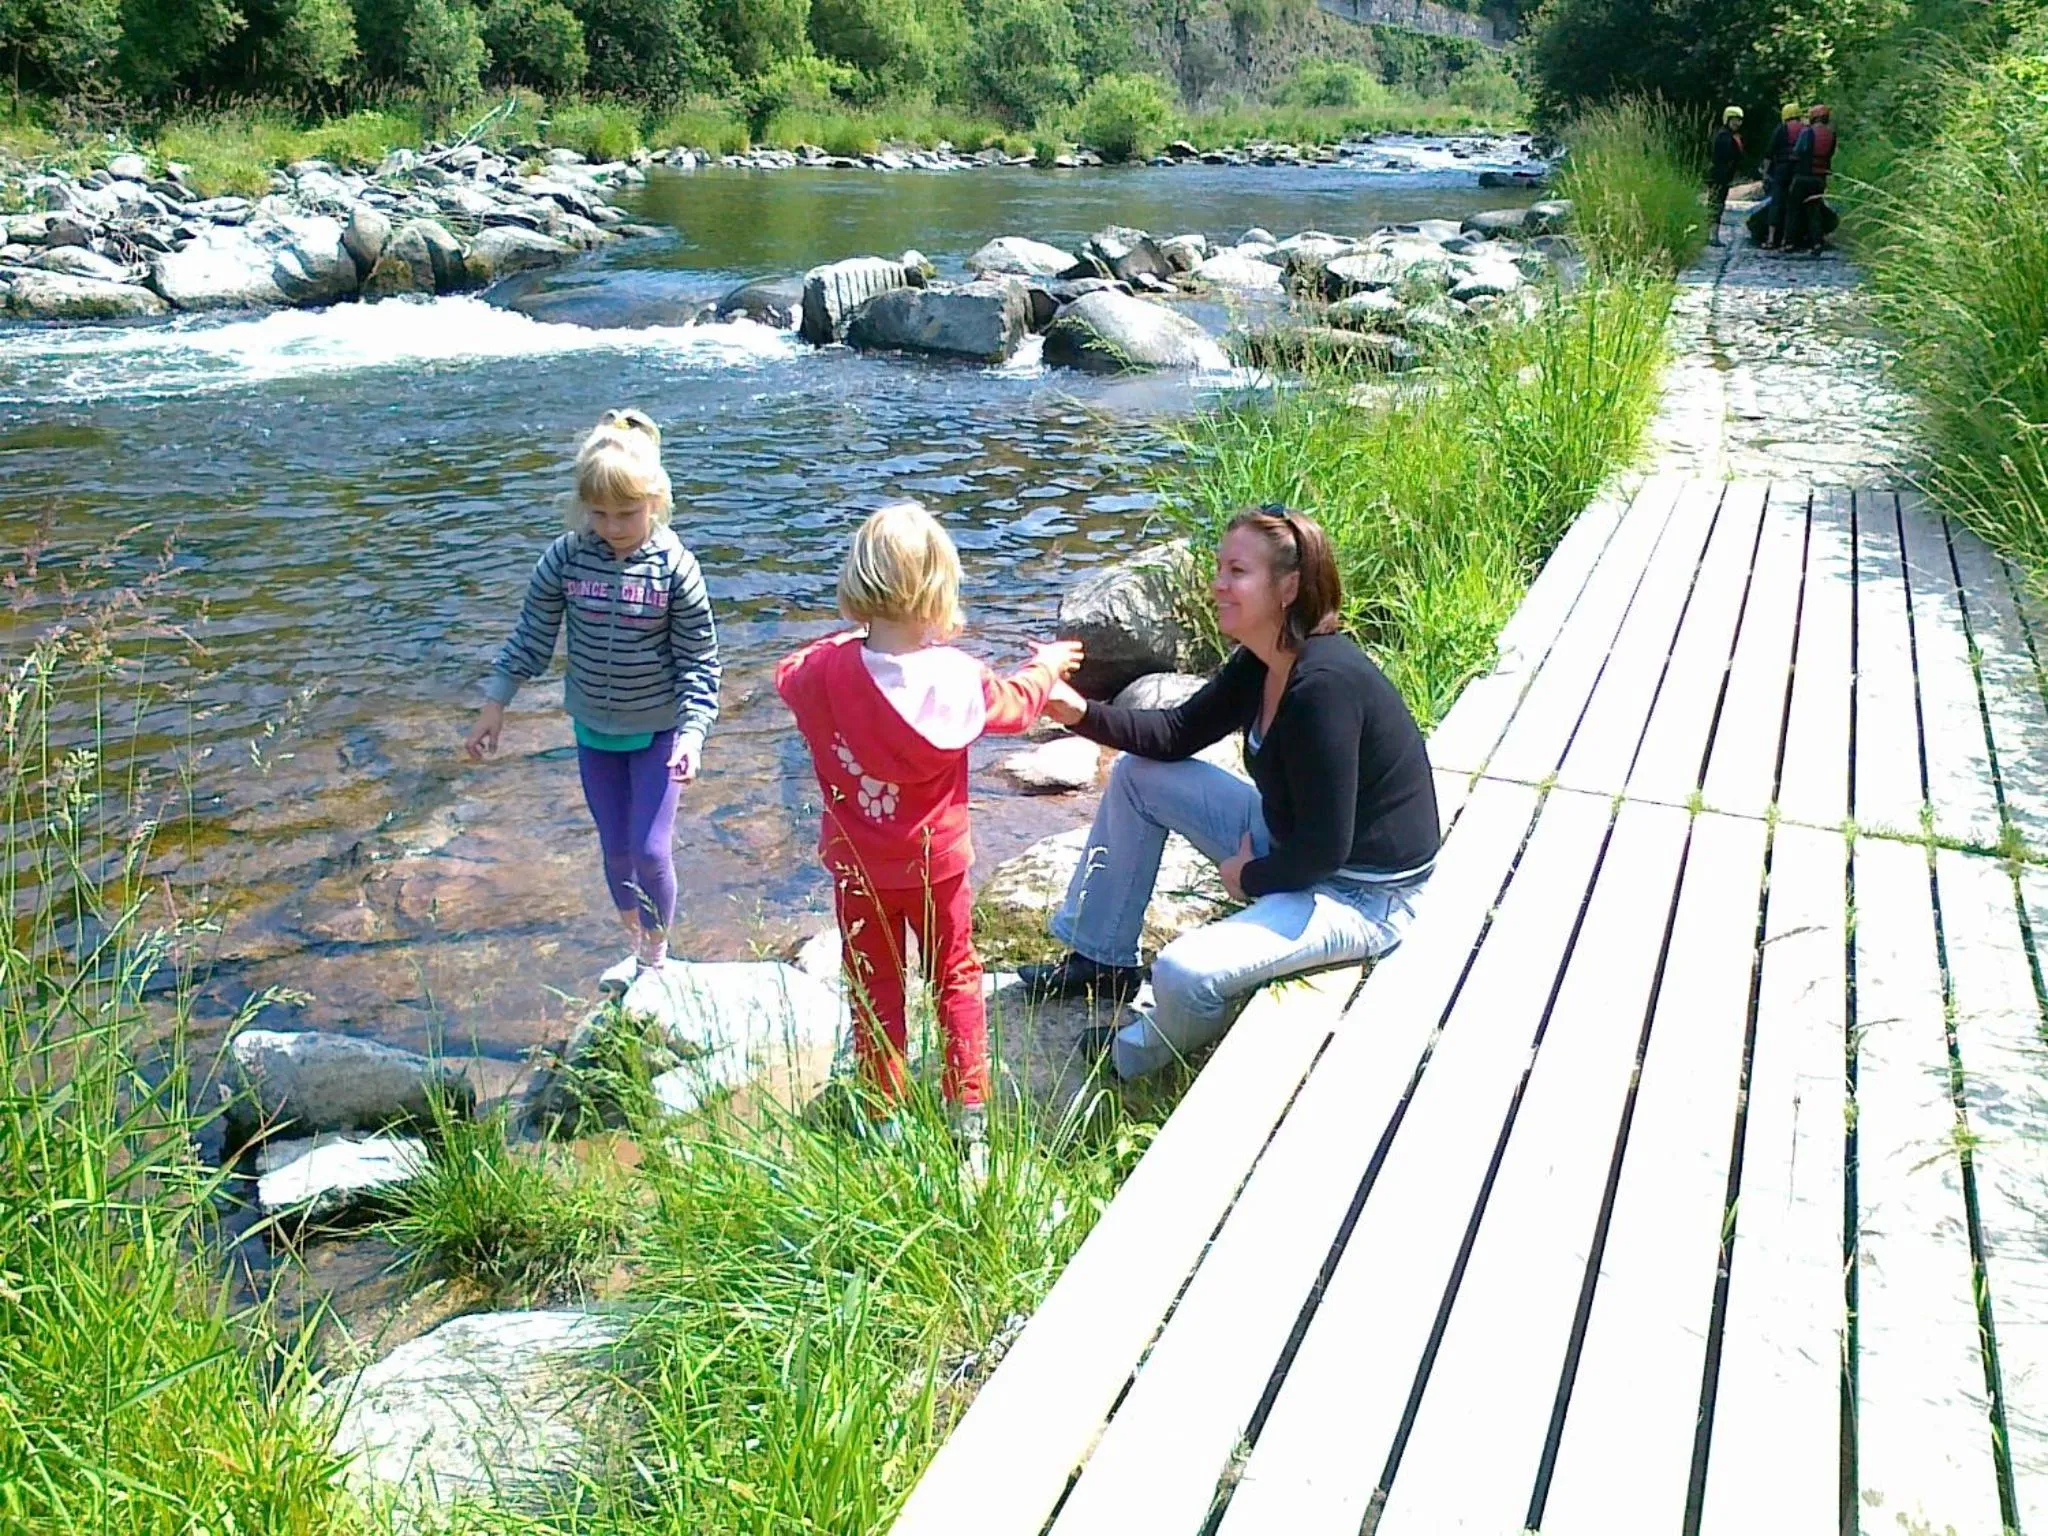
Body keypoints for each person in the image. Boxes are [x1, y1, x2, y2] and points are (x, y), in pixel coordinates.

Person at [1019, 507, 1440, 1081]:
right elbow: (1173, 735)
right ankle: (1101, 959)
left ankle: (1132, 1058)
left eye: (1236, 571)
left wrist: (1251, 878)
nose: (1218, 584)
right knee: (1138, 776)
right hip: (1294, 842)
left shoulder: (1324, 688)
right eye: (1219, 566)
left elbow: (1326, 850)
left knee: (1183, 972)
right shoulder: (1262, 661)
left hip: (1363, 896)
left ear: (1288, 587)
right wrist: (1078, 712)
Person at [775, 501, 1082, 1150]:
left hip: (858, 865)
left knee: (873, 989)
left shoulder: (823, 671)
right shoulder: (958, 677)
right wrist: (1048, 665)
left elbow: (785, 676)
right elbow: (1021, 703)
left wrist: (848, 639)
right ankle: (966, 1116)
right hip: (935, 867)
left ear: (858, 583)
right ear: (939, 589)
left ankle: (883, 1120)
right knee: (956, 980)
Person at [466, 408, 721, 990]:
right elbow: (530, 637)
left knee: (650, 850)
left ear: (655, 502)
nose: (612, 526)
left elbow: (700, 662)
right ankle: (636, 944)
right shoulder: (564, 558)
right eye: (599, 514)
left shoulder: (676, 570)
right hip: (593, 731)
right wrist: (495, 704)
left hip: (658, 732)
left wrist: (692, 732)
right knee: (615, 854)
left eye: (627, 514)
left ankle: (657, 961)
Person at [1787, 103, 1837, 253]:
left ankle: (1790, 242)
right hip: (1820, 178)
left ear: (1813, 117)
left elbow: (1797, 152)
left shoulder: (1807, 132)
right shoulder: (1831, 135)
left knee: (1793, 208)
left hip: (1803, 176)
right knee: (1814, 210)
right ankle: (1816, 243)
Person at [1761, 101, 1804, 249]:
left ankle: (1772, 238)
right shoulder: (1805, 130)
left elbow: (1769, 153)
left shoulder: (1781, 129)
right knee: (1794, 205)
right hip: (1799, 171)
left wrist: (1766, 174)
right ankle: (1788, 240)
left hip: (1781, 170)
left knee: (1776, 202)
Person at [1708, 105, 1745, 246]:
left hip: (1723, 176)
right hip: (1719, 175)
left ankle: (1712, 235)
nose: (1738, 123)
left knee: (1717, 204)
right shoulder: (1724, 136)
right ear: (1727, 120)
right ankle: (1713, 236)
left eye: (1739, 120)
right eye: (1735, 120)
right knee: (1716, 204)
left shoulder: (1728, 135)